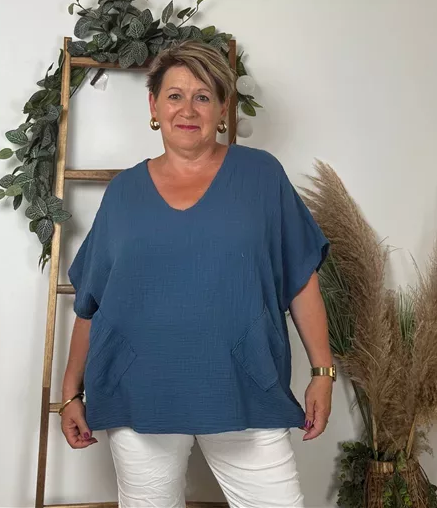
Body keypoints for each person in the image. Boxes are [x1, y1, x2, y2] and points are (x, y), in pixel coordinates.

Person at [60, 39, 334, 507]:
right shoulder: (123, 192)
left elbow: (301, 277)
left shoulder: (262, 176)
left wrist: (323, 371)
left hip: (244, 385)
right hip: (139, 391)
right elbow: (92, 299)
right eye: (175, 95)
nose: (187, 109)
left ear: (223, 108)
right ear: (154, 106)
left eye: (203, 96)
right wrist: (71, 392)